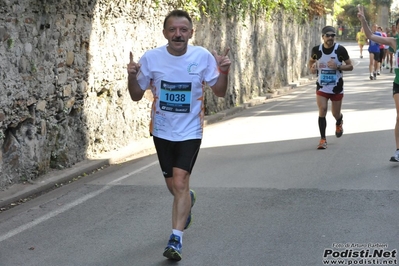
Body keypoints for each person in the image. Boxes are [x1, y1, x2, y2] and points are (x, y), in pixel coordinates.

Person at [126, 9, 231, 261]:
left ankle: (176, 239)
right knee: (174, 186)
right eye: (173, 30)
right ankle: (187, 201)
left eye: (183, 30)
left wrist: (224, 71)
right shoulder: (151, 58)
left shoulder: (202, 57)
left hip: (190, 131)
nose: (178, 34)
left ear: (191, 33)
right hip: (162, 131)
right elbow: (135, 95)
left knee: (181, 181)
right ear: (165, 33)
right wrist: (130, 76)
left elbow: (218, 92)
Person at [358, 6, 399, 162]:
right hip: (398, 84)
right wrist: (363, 19)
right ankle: (398, 150)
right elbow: (370, 35)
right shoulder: (394, 42)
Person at [308, 26, 354, 149]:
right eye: (327, 35)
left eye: (332, 35)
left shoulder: (340, 50)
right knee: (322, 110)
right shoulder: (316, 50)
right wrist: (312, 68)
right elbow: (311, 61)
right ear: (323, 37)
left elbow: (350, 66)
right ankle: (323, 139)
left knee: (335, 114)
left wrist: (338, 67)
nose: (330, 38)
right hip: (322, 86)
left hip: (337, 87)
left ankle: (339, 121)